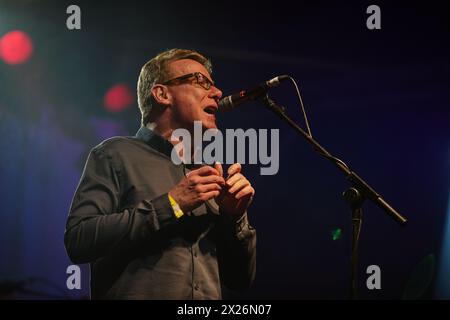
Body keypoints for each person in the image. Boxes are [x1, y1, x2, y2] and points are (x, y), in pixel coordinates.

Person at [64, 49, 257, 299]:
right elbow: (79, 241)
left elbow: (239, 280)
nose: (218, 93)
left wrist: (235, 217)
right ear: (162, 94)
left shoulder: (210, 175)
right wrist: (173, 204)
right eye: (201, 81)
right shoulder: (115, 153)